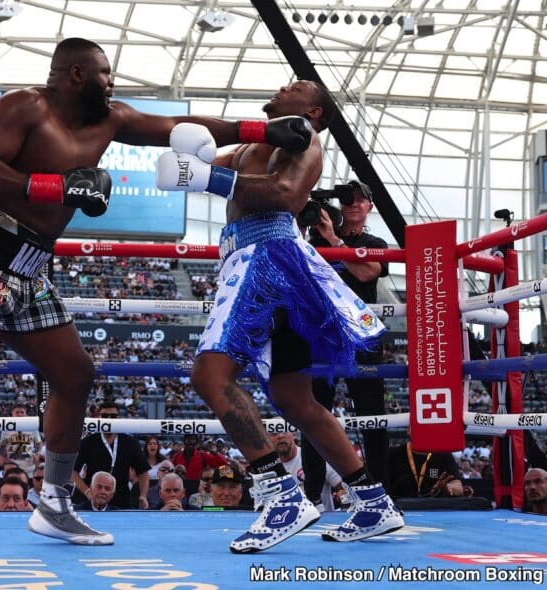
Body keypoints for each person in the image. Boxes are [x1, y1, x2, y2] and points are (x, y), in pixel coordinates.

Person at [0, 36, 315, 560]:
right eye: (105, 73)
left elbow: (179, 129)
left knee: (76, 374)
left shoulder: (112, 119)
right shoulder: (23, 106)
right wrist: (58, 187)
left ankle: (55, 503)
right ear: (77, 74)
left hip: (28, 264)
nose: (113, 82)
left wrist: (261, 130)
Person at [156, 79, 403, 552]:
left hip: (265, 255)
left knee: (211, 378)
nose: (285, 83)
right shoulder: (254, 144)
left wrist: (204, 175)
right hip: (259, 258)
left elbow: (286, 194)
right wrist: (195, 162)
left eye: (299, 86)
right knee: (297, 400)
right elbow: (209, 165)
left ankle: (280, 493)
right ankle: (373, 501)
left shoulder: (305, 140)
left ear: (314, 112)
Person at [303, 179, 391, 504]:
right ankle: (312, 495)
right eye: (347, 200)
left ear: (369, 207)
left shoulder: (375, 241)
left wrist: (334, 240)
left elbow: (367, 273)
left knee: (372, 416)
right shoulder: (314, 238)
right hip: (323, 333)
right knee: (313, 414)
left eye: (359, 200)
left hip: (361, 334)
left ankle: (380, 494)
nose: (353, 205)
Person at [72, 402, 150, 509]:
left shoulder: (130, 443)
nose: (109, 419)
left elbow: (143, 472)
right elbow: (73, 471)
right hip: (93, 501)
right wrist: (86, 491)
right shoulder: (88, 442)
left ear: (118, 418)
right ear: (99, 417)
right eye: (105, 416)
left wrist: (143, 495)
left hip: (121, 500)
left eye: (113, 416)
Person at [387, 437, 464, 498]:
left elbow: (458, 486)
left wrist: (450, 488)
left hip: (433, 510)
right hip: (399, 509)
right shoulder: (393, 454)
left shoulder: (444, 454)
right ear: (408, 429)